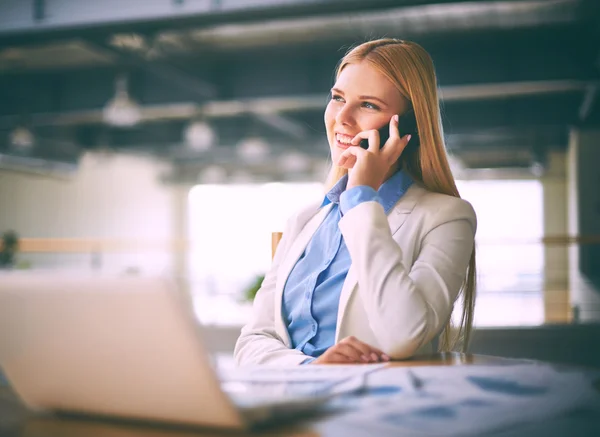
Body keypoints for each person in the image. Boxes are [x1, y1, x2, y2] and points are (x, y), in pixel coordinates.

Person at [234, 38, 477, 366]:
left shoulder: (447, 217)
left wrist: (361, 198)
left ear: (407, 128)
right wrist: (312, 368)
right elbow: (251, 343)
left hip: (377, 411)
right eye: (338, 98)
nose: (342, 118)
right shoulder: (305, 221)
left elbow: (404, 335)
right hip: (293, 403)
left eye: (369, 105)